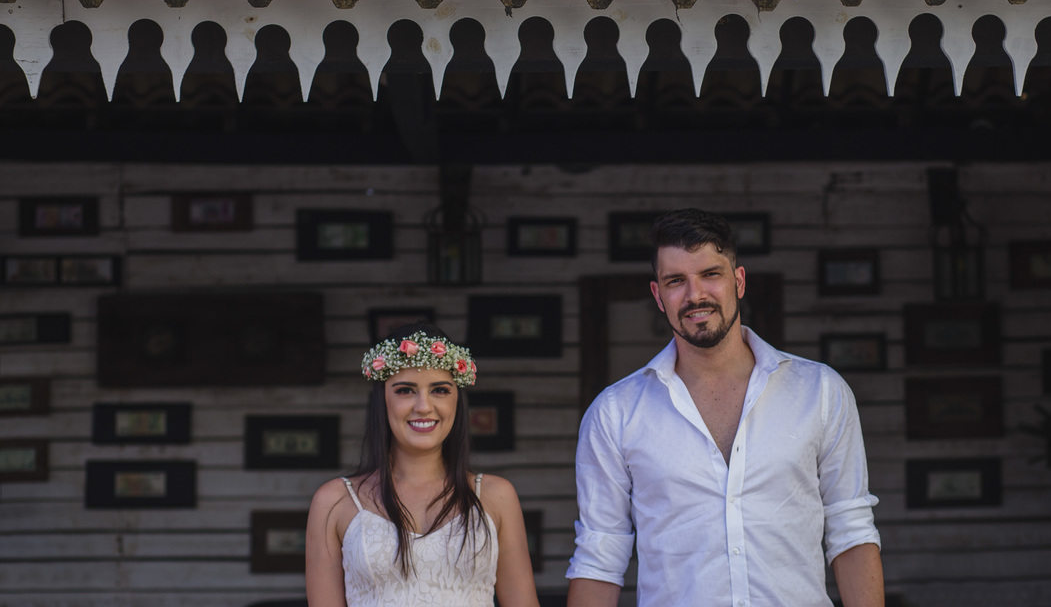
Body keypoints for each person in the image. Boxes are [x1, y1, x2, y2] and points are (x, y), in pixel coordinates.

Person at [566, 209, 884, 607]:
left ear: (739, 281)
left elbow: (851, 531)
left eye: (710, 274)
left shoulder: (820, 391)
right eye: (676, 281)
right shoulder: (615, 413)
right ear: (657, 296)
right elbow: (599, 558)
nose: (695, 294)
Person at [306, 324, 540, 607]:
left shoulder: (495, 496)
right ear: (382, 400)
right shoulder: (335, 501)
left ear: (457, 399)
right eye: (405, 390)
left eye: (440, 390)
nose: (423, 406)